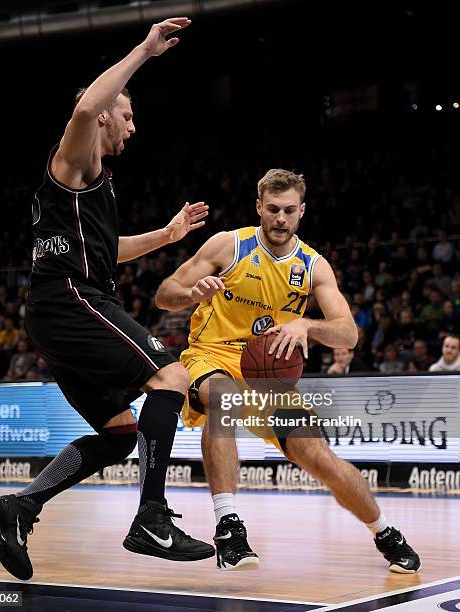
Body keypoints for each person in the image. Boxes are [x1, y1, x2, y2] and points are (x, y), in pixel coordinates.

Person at [0, 17, 214, 582]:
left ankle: (19, 506)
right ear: (109, 112)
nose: (133, 128)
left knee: (119, 434)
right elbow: (86, 108)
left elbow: (107, 250)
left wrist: (164, 236)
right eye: (128, 115)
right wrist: (144, 50)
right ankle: (151, 518)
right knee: (172, 376)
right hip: (70, 302)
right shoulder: (76, 161)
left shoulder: (96, 184)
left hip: (56, 312)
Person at [155, 169, 420, 573]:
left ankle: (385, 532)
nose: (281, 218)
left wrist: (307, 325)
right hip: (213, 355)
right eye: (274, 209)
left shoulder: (313, 265)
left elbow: (348, 333)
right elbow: (164, 294)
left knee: (317, 455)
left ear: (301, 212)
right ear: (259, 207)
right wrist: (192, 294)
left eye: (289, 211)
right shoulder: (230, 245)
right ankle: (229, 526)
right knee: (223, 400)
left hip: (268, 375)